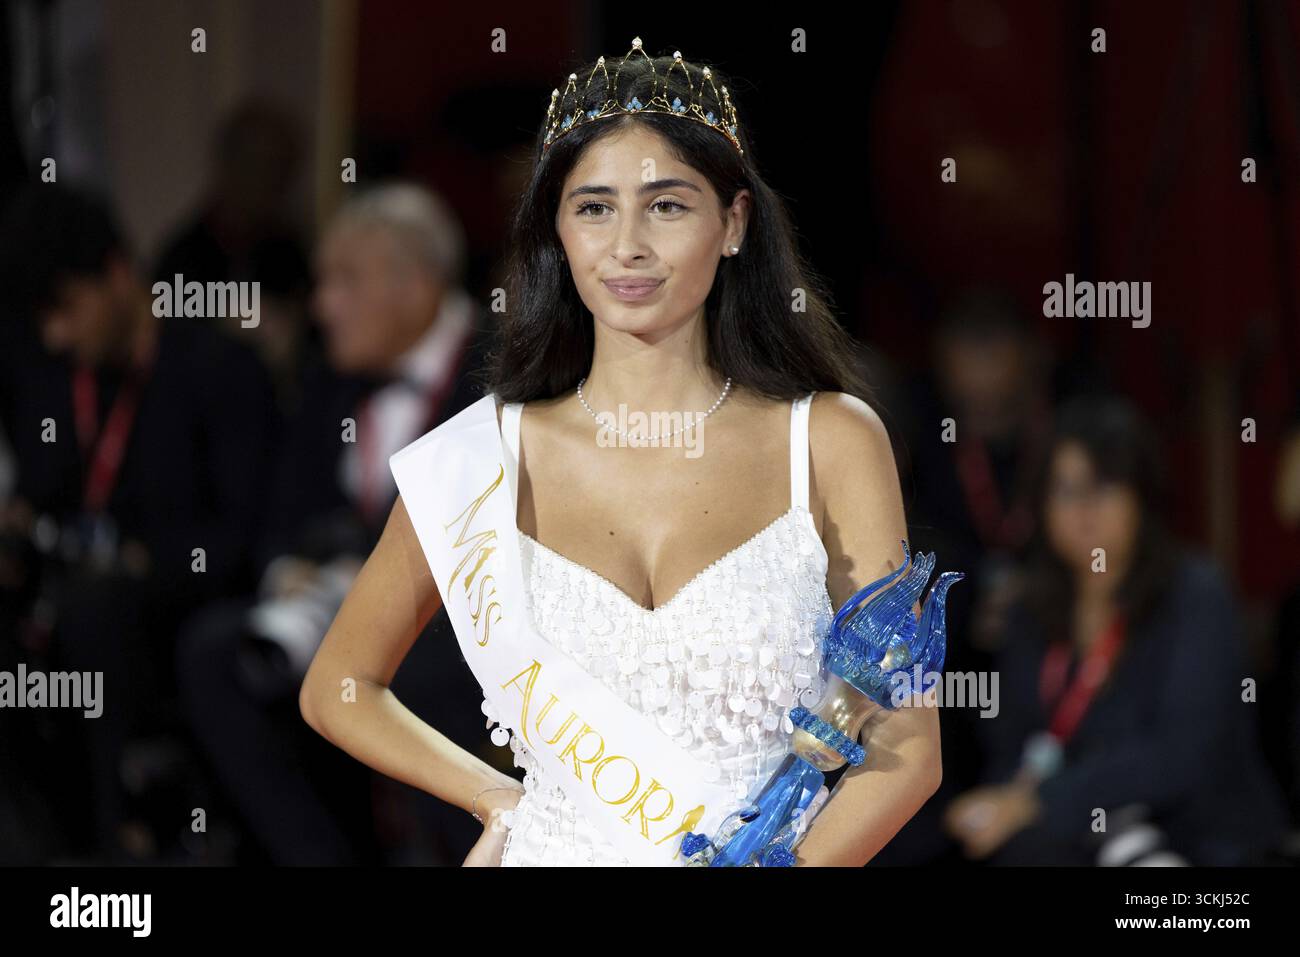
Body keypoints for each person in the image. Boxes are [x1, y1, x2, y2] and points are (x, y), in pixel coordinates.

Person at [300, 37, 944, 866]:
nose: (627, 245)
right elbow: (338, 687)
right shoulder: (485, 456)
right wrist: (496, 797)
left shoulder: (830, 440)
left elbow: (908, 749)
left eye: (667, 206)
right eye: (594, 207)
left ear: (734, 223)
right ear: (557, 232)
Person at [175, 182, 492, 864]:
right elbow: (278, 522)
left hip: (468, 625)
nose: (322, 304)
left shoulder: (510, 366)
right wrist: (290, 572)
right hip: (332, 616)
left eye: (345, 280)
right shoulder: (327, 382)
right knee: (215, 652)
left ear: (416, 283)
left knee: (416, 665)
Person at [943, 395, 1292, 865]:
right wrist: (999, 803)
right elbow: (1012, 741)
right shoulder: (1032, 608)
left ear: (1141, 497)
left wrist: (1039, 802)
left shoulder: (1194, 594)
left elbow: (1182, 755)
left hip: (1198, 836)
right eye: (1066, 490)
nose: (1084, 509)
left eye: (1104, 486)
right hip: (1075, 832)